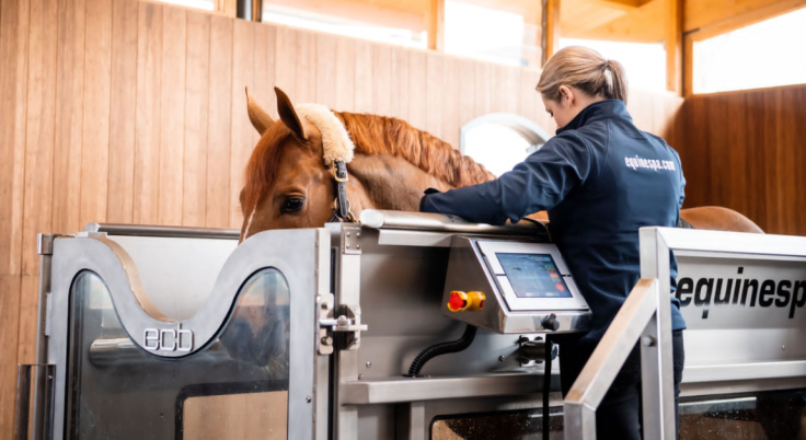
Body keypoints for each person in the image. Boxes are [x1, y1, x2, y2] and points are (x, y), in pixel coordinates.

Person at [419, 46, 686, 440]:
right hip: (667, 333)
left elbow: (505, 199)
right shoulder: (666, 154)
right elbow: (671, 215)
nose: (556, 124)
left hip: (607, 338)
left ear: (566, 94)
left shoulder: (580, 145)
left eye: (551, 112)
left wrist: (429, 202)